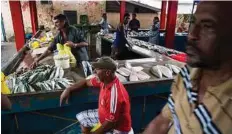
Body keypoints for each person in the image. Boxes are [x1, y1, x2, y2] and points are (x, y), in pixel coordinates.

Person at [143, 1, 232, 134]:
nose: (192, 35)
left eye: (207, 26)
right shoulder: (187, 73)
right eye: (193, 23)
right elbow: (163, 121)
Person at [60, 57, 133, 134]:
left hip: (118, 128)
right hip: (105, 117)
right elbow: (86, 82)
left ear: (107, 73)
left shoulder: (114, 94)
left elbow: (111, 123)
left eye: (98, 69)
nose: (94, 71)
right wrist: (69, 88)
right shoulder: (104, 80)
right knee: (82, 117)